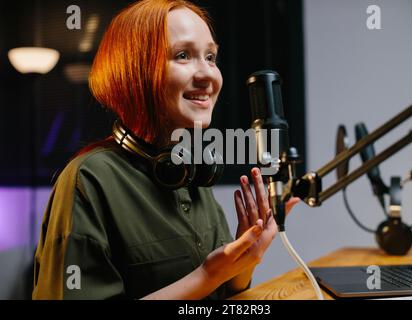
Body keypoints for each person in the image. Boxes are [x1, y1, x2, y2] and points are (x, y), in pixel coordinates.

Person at [32, 0, 300, 300]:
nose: (208, 75)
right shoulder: (89, 181)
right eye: (183, 56)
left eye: (211, 57)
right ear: (134, 71)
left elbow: (222, 294)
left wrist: (244, 260)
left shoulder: (191, 172)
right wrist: (207, 275)